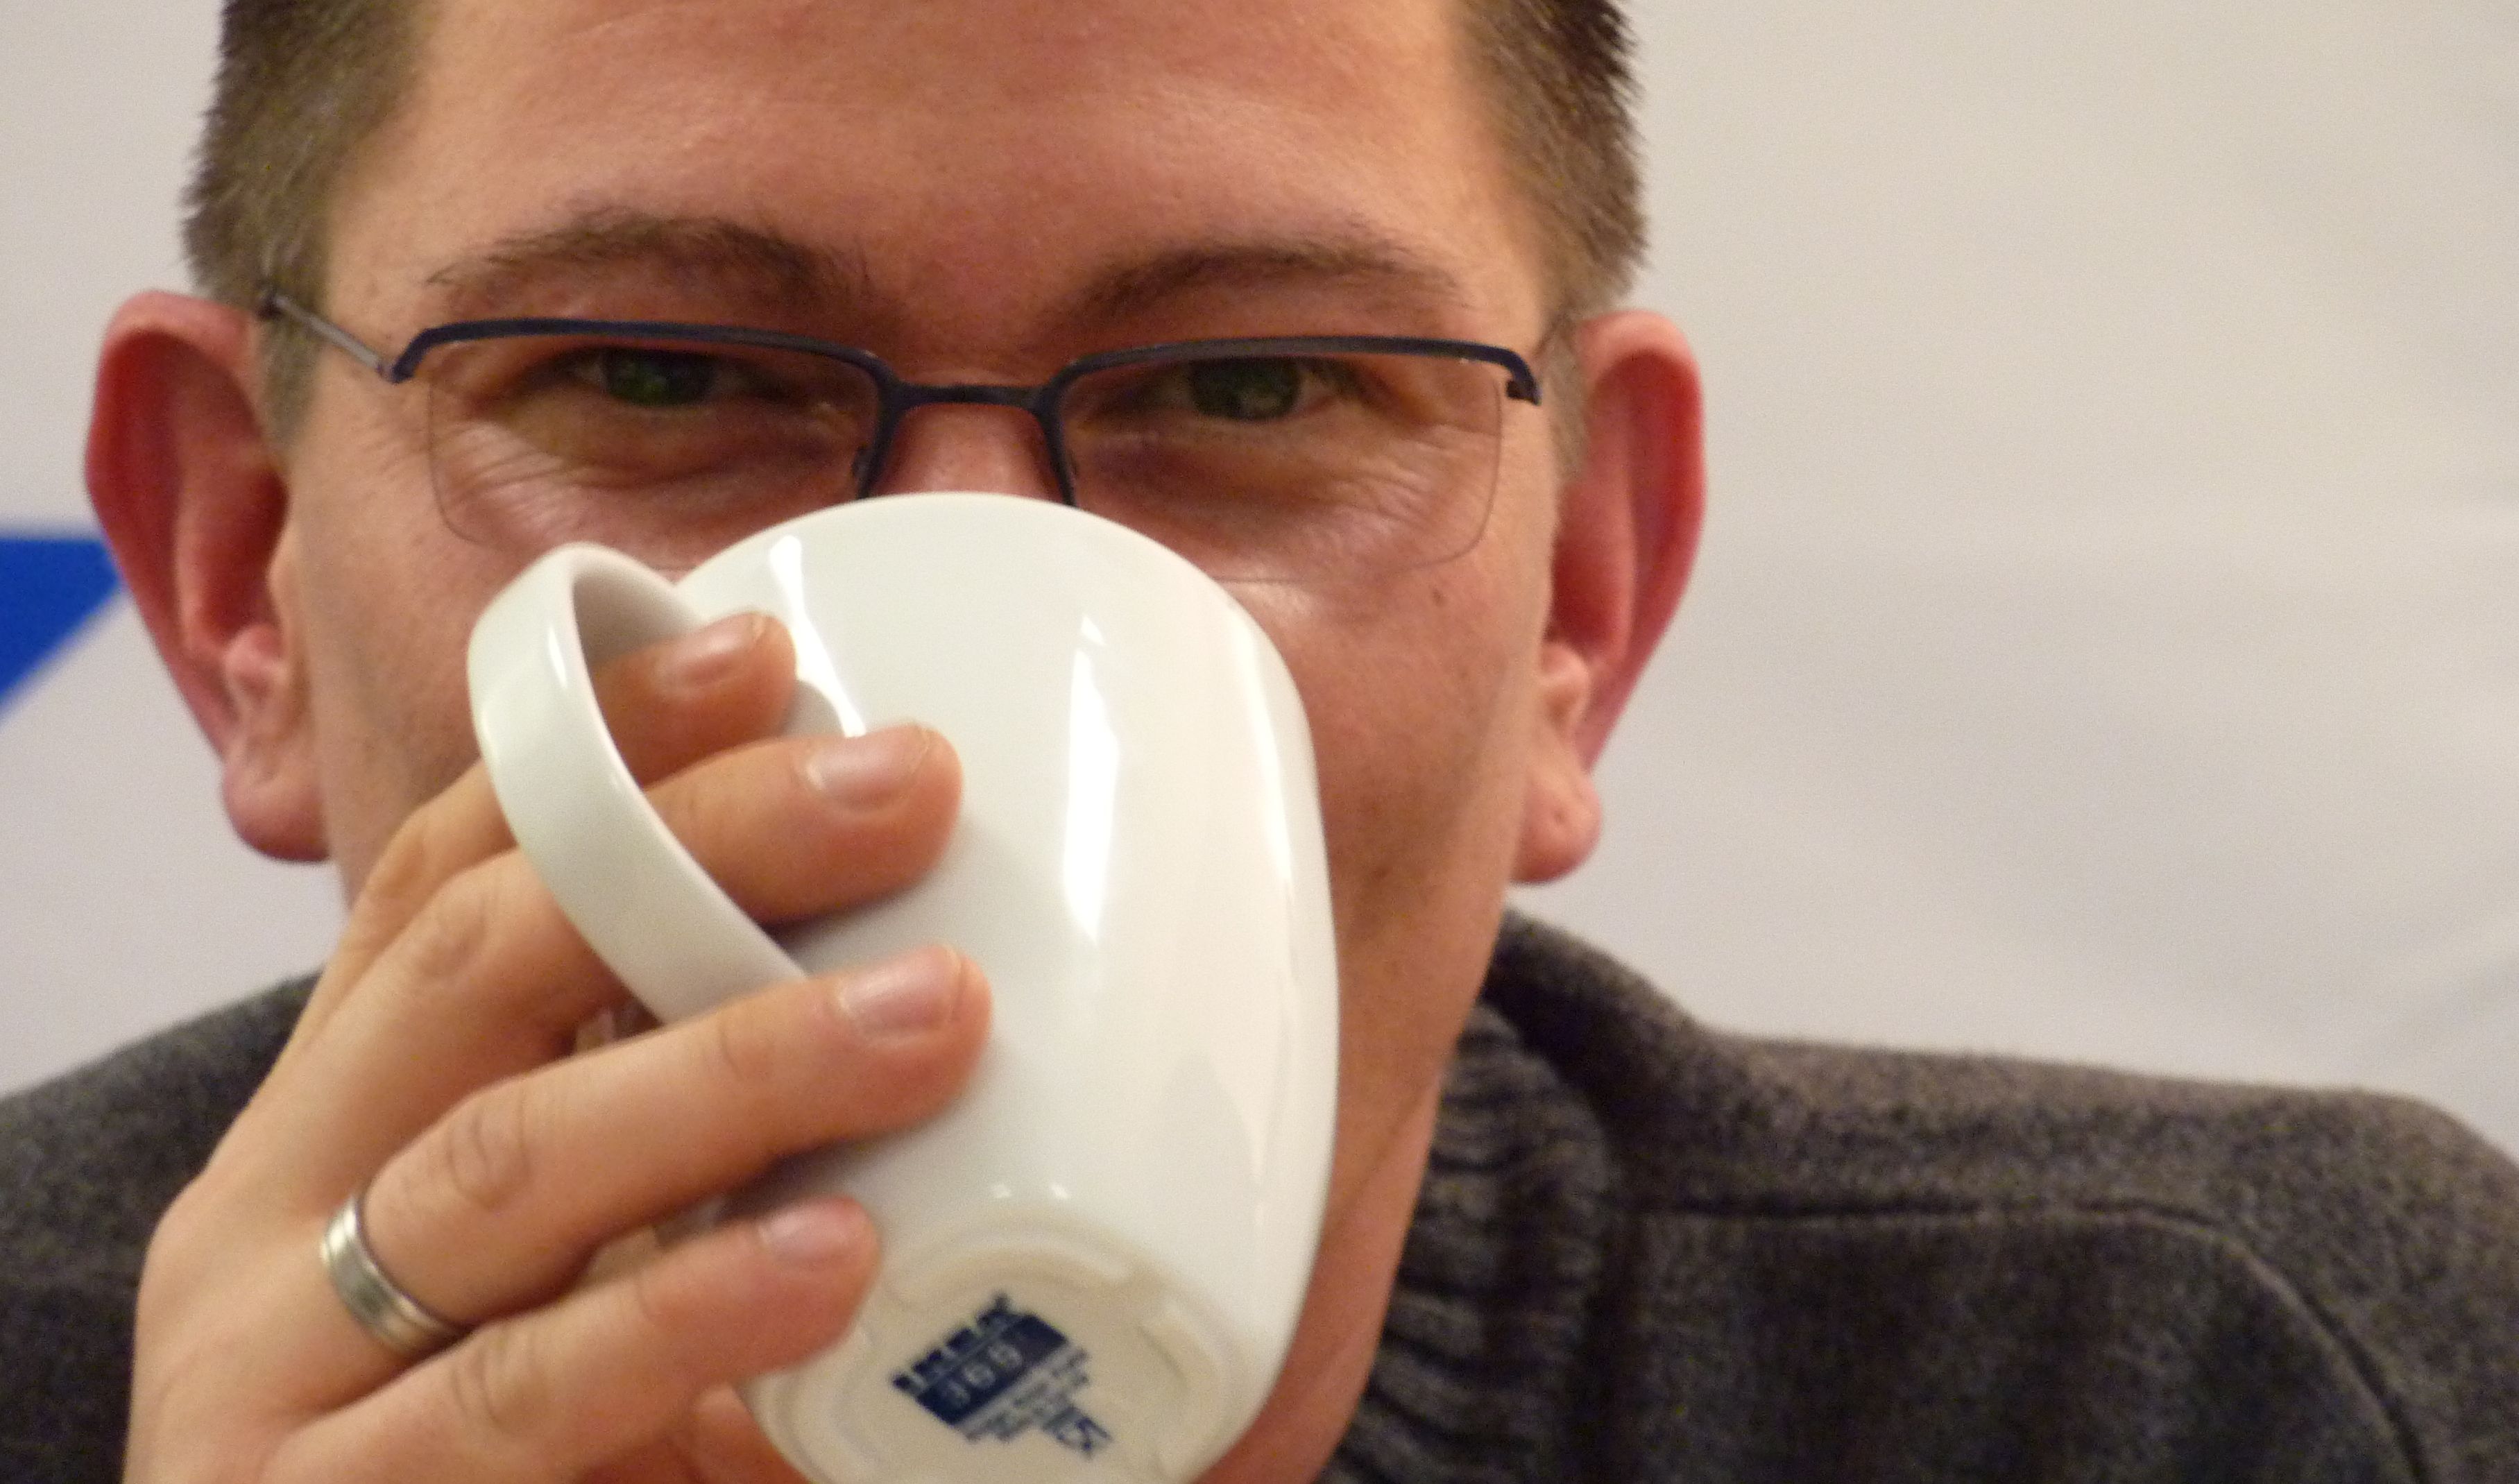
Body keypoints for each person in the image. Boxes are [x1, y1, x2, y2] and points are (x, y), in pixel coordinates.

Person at [3, 0, 2514, 1478]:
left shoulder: (2236, 1386)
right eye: (656, 375)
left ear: (1579, 603)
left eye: (1251, 389)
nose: (934, 724)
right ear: (239, 574)